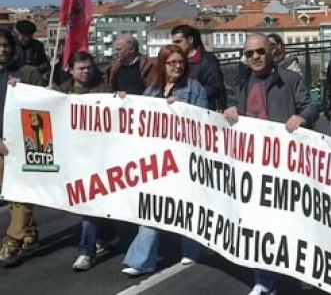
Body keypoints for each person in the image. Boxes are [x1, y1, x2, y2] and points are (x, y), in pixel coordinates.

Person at [223, 33, 318, 295]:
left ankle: (302, 270)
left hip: (286, 164)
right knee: (259, 223)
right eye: (249, 53)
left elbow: (311, 106)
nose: (254, 57)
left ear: (272, 53)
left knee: (292, 220)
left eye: (259, 52)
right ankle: (265, 279)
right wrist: (232, 111)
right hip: (253, 164)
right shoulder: (243, 82)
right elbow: (238, 112)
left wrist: (302, 117)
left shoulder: (290, 79)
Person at [121, 44, 208, 276]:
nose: (177, 66)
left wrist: (181, 110)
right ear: (163, 65)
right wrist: (124, 102)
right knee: (153, 207)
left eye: (181, 62)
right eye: (172, 63)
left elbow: (204, 121)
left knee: (188, 205)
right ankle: (141, 261)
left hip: (184, 157)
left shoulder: (194, 88)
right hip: (158, 160)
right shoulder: (151, 91)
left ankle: (193, 248)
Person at [53, 51, 118, 271]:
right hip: (74, 156)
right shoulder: (62, 92)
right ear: (71, 70)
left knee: (90, 201)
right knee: (95, 203)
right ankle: (107, 234)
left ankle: (86, 251)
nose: (87, 71)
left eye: (89, 67)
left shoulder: (105, 90)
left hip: (101, 156)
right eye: (81, 68)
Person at [0, 29, 45, 265]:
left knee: (20, 193)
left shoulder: (27, 73)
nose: (2, 50)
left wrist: (28, 91)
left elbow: (46, 103)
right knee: (9, 195)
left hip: (23, 146)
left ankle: (13, 238)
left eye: (6, 45)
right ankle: (29, 232)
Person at [171, 24, 227, 110]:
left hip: (202, 111)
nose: (175, 46)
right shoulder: (174, 61)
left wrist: (191, 94)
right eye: (174, 43)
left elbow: (215, 87)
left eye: (179, 42)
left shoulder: (208, 60)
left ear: (190, 40)